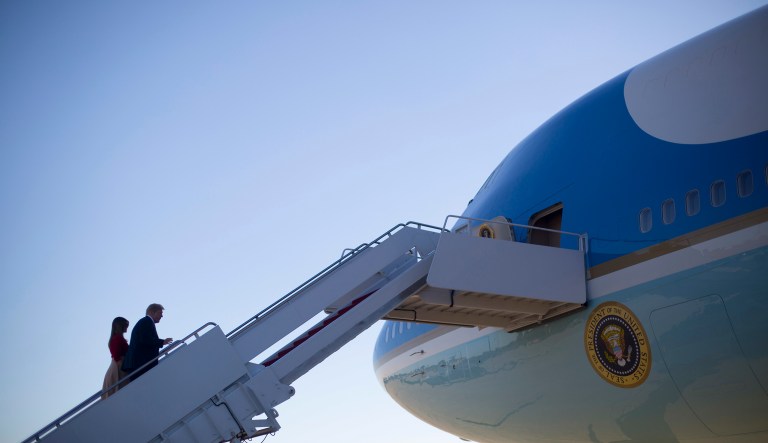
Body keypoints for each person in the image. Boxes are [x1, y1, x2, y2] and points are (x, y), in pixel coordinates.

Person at [122, 304, 173, 381]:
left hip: (139, 363)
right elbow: (145, 339)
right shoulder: (146, 322)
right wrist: (162, 342)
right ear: (152, 312)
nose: (162, 316)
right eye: (160, 313)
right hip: (139, 364)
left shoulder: (146, 322)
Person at [101, 317, 129, 399]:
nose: (127, 328)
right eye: (126, 325)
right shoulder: (117, 339)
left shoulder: (115, 338)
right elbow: (117, 355)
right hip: (118, 367)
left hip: (116, 365)